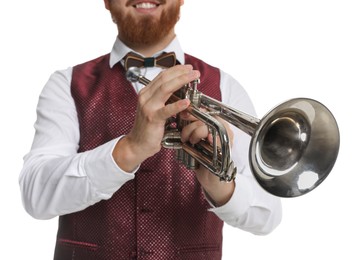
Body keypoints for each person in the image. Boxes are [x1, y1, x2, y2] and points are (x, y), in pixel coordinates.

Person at [19, 0, 282, 259]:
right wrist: (130, 149)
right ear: (107, 2)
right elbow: (35, 196)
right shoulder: (66, 84)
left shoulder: (226, 86)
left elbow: (268, 216)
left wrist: (221, 186)